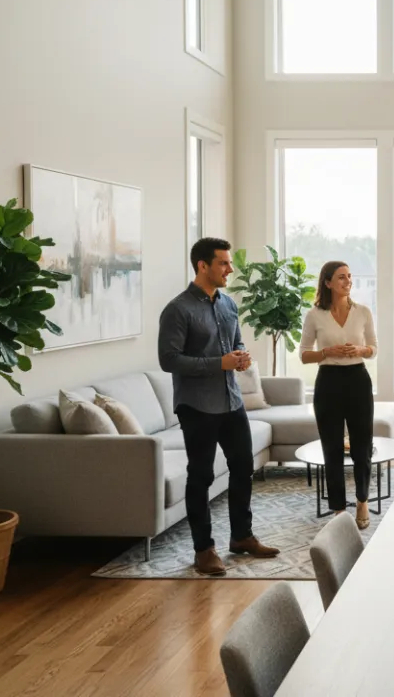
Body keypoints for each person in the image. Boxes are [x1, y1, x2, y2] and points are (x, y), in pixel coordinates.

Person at [158, 237, 280, 576]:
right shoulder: (178, 309)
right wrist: (219, 363)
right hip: (196, 405)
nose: (230, 269)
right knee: (202, 475)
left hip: (231, 400)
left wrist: (239, 358)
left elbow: (235, 342)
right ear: (203, 266)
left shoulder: (228, 304)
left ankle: (242, 536)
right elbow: (168, 360)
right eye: (224, 263)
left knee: (243, 468)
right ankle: (204, 549)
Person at [299, 261, 378, 529]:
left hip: (358, 380)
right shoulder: (314, 315)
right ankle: (338, 510)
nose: (348, 281)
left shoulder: (363, 312)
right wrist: (327, 353)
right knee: (331, 449)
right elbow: (304, 354)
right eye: (341, 277)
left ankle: (362, 500)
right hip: (328, 383)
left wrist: (360, 350)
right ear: (328, 282)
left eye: (350, 276)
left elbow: (373, 348)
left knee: (362, 447)